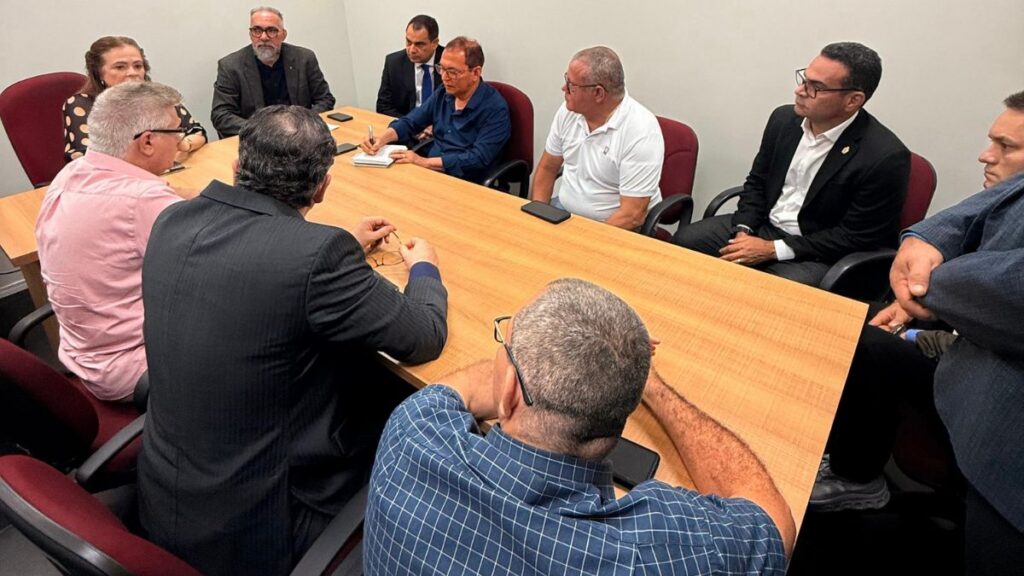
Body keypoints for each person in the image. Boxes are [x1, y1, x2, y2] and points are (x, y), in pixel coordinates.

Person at [138, 104, 448, 576]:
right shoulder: (318, 255)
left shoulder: (171, 221)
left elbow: (256, 264)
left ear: (238, 166)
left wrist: (341, 247)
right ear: (323, 186)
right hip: (266, 520)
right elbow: (423, 335)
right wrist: (425, 268)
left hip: (167, 494)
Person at [364, 278, 796, 575]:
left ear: (509, 390)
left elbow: (463, 389)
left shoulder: (413, 430)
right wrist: (648, 383)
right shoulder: (648, 553)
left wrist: (532, 355)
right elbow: (773, 523)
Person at [812, 91, 1024, 571]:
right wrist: (922, 246)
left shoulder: (881, 150)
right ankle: (857, 477)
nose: (985, 155)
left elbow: (1007, 289)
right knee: (863, 328)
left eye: (1005, 147)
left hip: (1002, 415)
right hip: (965, 343)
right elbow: (967, 216)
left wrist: (925, 290)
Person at [674, 42, 910, 286]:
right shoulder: (784, 120)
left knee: (769, 289)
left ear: (853, 100)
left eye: (816, 87)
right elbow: (757, 182)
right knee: (685, 242)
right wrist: (743, 230)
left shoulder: (884, 157)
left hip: (820, 253)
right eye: (804, 79)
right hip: (764, 227)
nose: (800, 91)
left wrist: (772, 250)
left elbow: (854, 236)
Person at [36, 82, 192, 401]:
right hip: (137, 369)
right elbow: (220, 266)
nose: (181, 141)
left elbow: (157, 200)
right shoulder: (143, 201)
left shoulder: (73, 173)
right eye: (177, 131)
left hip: (85, 355)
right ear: (147, 141)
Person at [531, 47, 664, 230]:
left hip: (615, 227)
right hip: (564, 212)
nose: (564, 89)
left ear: (598, 93)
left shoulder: (641, 131)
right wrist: (538, 216)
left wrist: (582, 238)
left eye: (571, 85)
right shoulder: (568, 112)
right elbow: (547, 168)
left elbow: (632, 215)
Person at [359, 36, 510, 185]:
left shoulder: (495, 108)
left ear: (475, 73)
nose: (444, 77)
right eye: (441, 69)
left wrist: (423, 162)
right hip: (431, 173)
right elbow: (411, 122)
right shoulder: (443, 93)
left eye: (452, 72)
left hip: (465, 182)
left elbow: (477, 159)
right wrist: (381, 139)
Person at [64, 36, 206, 163]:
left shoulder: (158, 97)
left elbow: (197, 131)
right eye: (120, 67)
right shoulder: (81, 104)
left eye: (138, 66)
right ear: (99, 73)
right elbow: (85, 156)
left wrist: (184, 145)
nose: (132, 73)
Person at [211, 6, 335, 138]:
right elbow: (221, 115)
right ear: (250, 34)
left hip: (300, 136)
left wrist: (302, 125)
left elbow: (325, 99)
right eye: (257, 30)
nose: (264, 37)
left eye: (271, 30)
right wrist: (264, 131)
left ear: (283, 35)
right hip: (258, 140)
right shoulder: (231, 66)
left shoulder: (304, 58)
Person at [376, 15, 444, 118]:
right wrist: (409, 124)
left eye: (419, 44)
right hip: (406, 122)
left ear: (434, 43)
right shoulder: (394, 63)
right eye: (408, 42)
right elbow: (383, 107)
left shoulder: (451, 62)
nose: (412, 50)